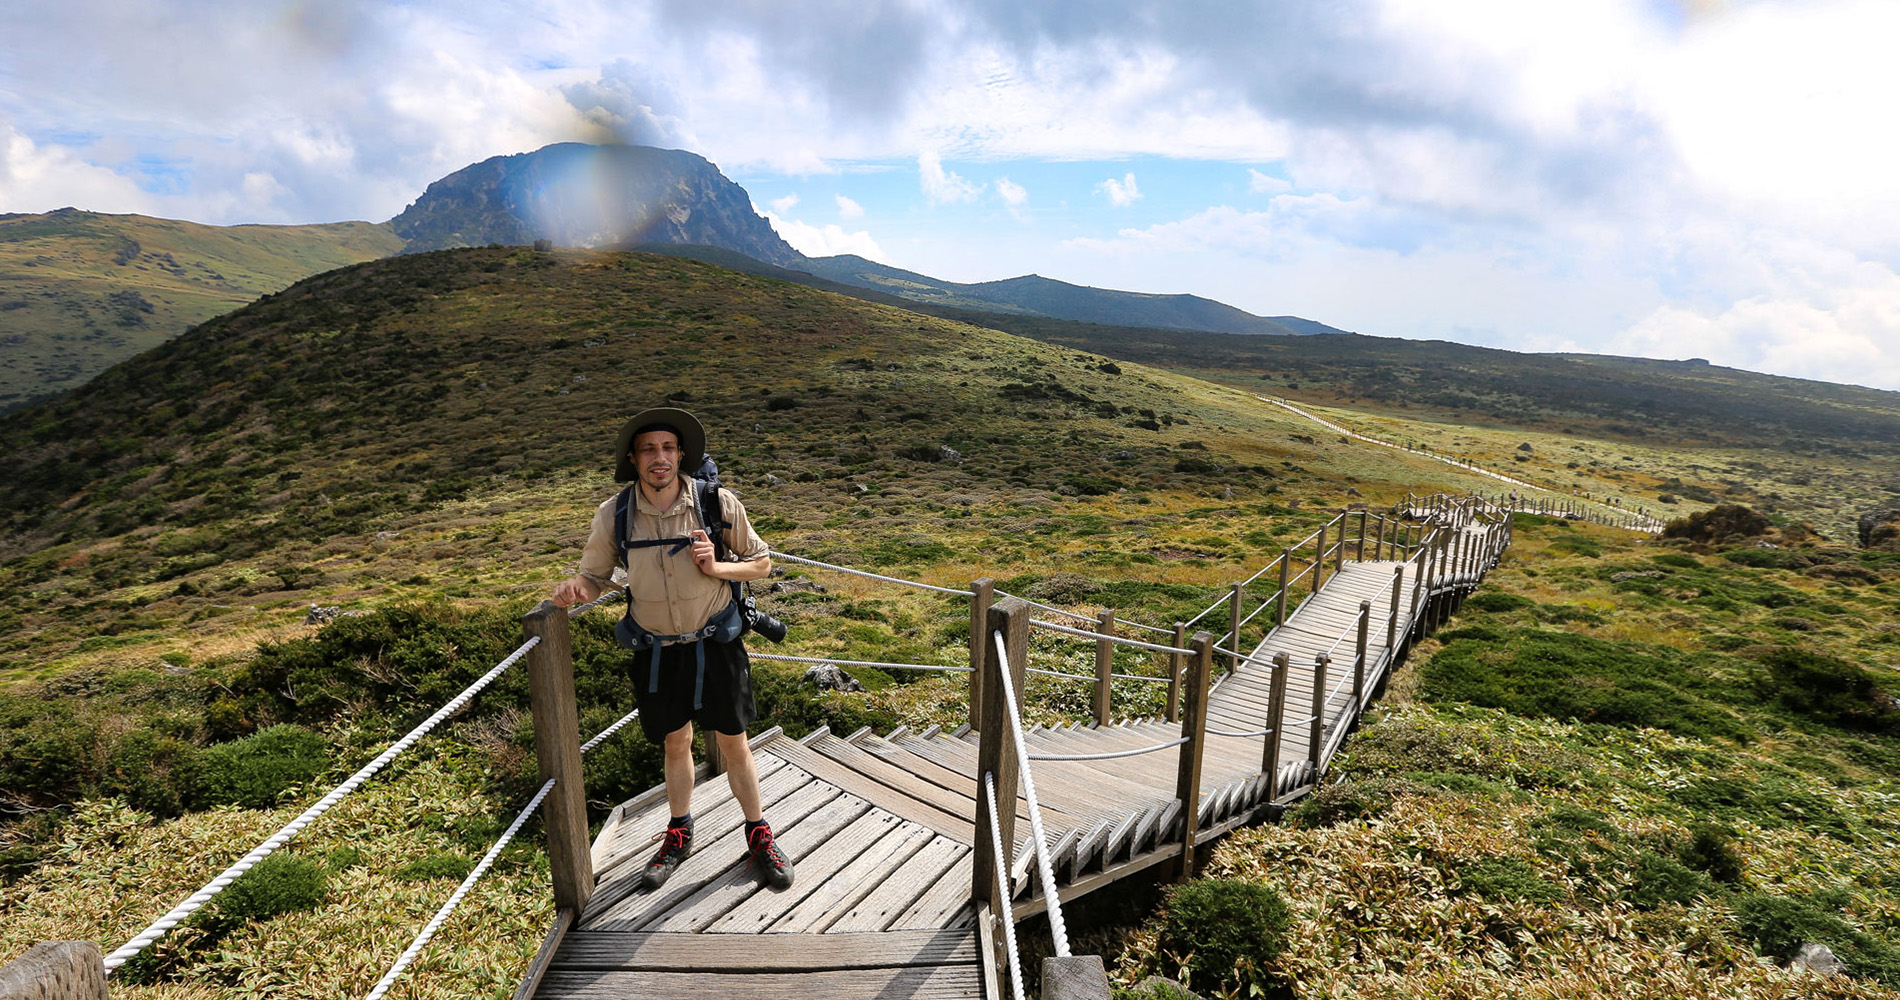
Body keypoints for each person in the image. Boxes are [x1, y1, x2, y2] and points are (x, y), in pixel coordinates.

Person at [551, 407, 792, 891]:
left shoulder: (716, 502)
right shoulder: (614, 513)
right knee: (675, 740)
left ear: (681, 454)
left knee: (733, 741)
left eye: (667, 448)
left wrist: (717, 569)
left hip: (715, 644)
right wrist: (577, 590)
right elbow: (595, 577)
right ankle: (679, 832)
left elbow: (761, 563)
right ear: (633, 459)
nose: (659, 457)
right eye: (648, 449)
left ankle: (759, 832)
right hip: (658, 651)